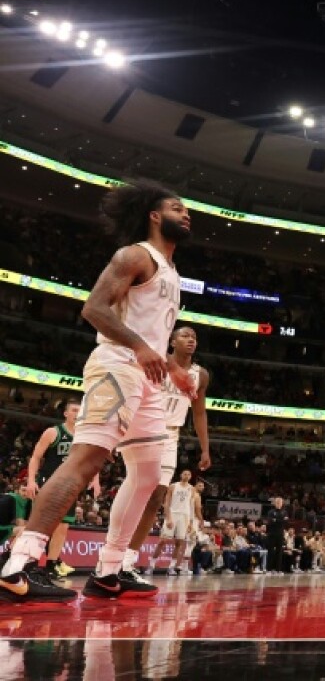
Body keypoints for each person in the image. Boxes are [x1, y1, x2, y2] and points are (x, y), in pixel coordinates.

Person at [1, 180, 194, 603]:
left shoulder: (171, 270)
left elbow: (150, 329)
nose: (187, 213)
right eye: (177, 207)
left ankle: (109, 570)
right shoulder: (135, 255)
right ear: (154, 215)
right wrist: (142, 347)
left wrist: (173, 369)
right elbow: (94, 308)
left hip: (148, 379)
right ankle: (19, 563)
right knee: (87, 459)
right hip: (117, 367)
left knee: (148, 476)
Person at [124, 326, 211, 577]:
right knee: (135, 491)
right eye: (185, 336)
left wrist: (205, 449)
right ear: (172, 341)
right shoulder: (157, 360)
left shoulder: (200, 375)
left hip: (171, 434)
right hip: (145, 424)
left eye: (194, 337)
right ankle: (113, 551)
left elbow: (199, 413)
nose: (191, 340)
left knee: (156, 498)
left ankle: (128, 560)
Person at [21, 399, 103, 579]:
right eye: (74, 410)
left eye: (80, 411)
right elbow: (35, 457)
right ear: (66, 413)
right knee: (39, 525)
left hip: (70, 485)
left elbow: (93, 459)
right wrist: (31, 481)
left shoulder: (84, 436)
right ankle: (27, 563)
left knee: (63, 526)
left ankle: (51, 565)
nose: (77, 413)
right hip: (48, 481)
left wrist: (96, 480)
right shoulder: (53, 432)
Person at [265, 497, 287, 574]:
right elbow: (270, 521)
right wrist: (280, 520)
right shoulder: (271, 512)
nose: (278, 504)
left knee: (279, 552)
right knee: (270, 551)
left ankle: (278, 569)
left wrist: (276, 520)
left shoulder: (284, 512)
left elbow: (285, 522)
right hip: (272, 534)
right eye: (277, 502)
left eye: (280, 502)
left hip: (280, 534)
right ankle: (269, 569)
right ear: (274, 503)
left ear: (282, 503)